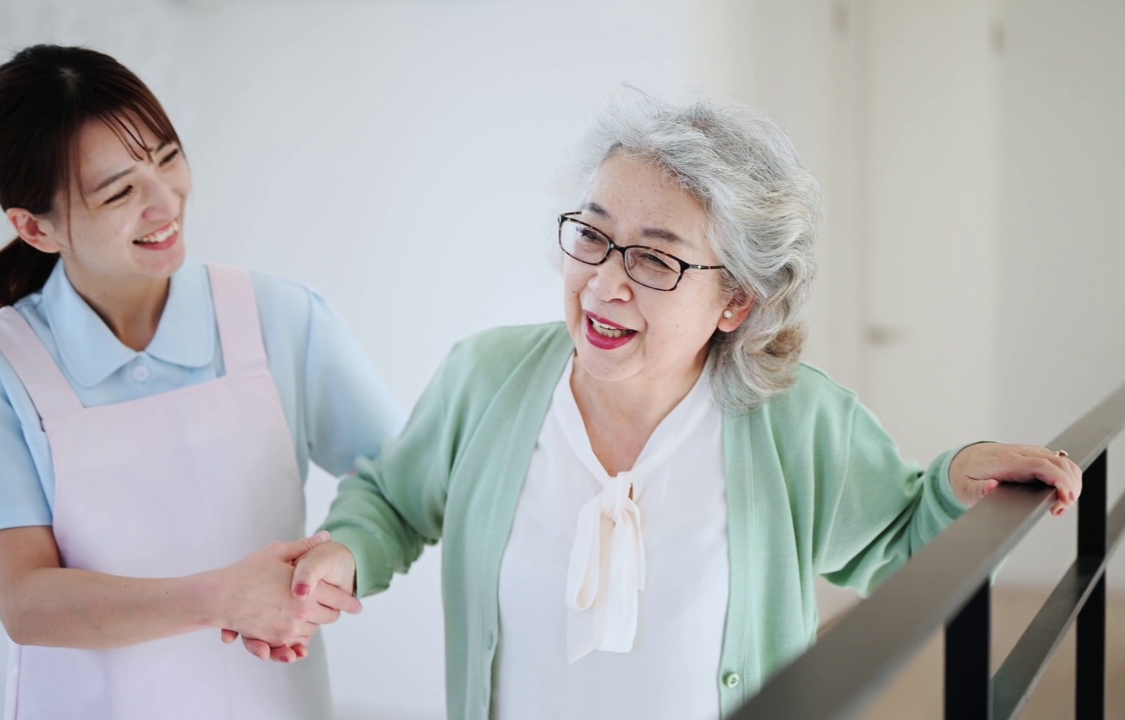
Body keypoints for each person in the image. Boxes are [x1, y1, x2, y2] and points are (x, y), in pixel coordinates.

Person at [259, 92, 1082, 719]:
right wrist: (348, 552)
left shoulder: (795, 420)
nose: (606, 284)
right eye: (593, 235)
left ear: (739, 304)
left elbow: (899, 542)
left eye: (656, 260)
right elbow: (393, 499)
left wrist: (955, 483)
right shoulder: (487, 377)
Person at [0, 45, 400, 720]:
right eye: (119, 191)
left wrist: (340, 553)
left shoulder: (279, 316)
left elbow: (404, 482)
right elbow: (24, 600)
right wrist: (222, 598)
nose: (165, 202)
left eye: (166, 157)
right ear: (34, 228)